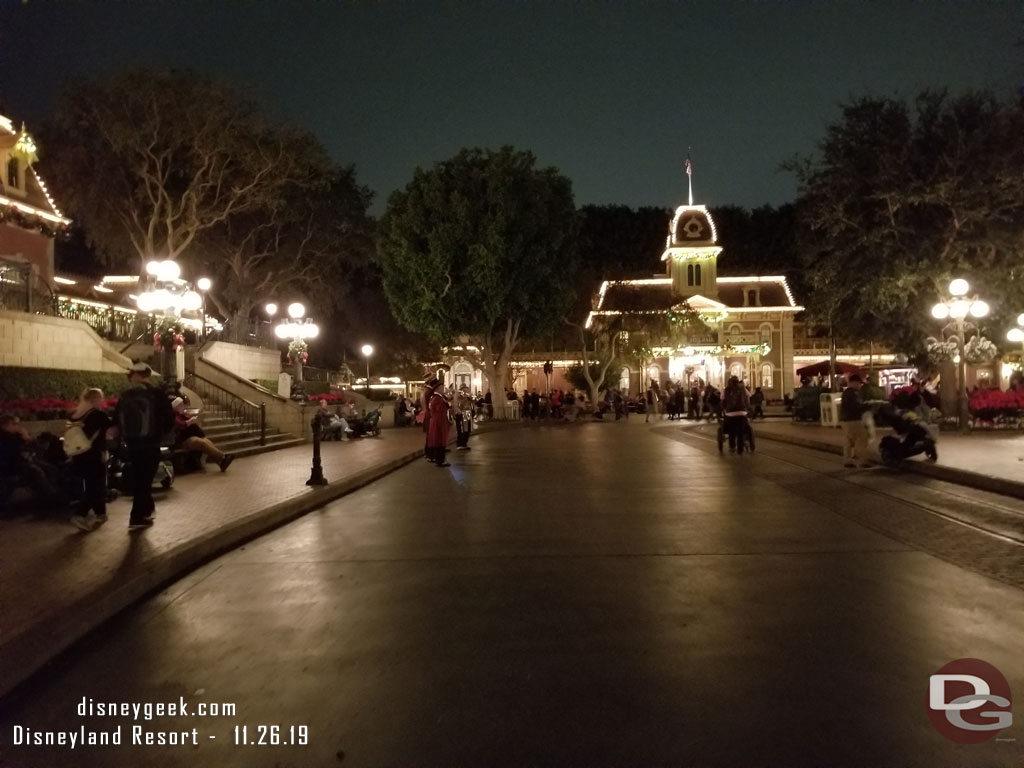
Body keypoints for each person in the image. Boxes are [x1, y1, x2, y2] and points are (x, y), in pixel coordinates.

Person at [113, 361, 175, 530]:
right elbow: (169, 417)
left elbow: (116, 418)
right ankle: (136, 516)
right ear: (147, 375)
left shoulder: (126, 395)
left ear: (135, 376)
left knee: (141, 477)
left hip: (132, 444)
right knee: (145, 479)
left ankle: (146, 510)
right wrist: (163, 433)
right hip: (151, 443)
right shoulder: (156, 394)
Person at [68, 388, 112, 531]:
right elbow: (111, 430)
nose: (102, 401)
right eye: (101, 398)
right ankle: (79, 514)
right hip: (94, 454)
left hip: (78, 454)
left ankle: (100, 513)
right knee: (96, 485)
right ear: (94, 399)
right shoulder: (98, 415)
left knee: (93, 483)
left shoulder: (75, 415)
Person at [0, 413, 61, 506]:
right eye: (14, 424)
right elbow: (10, 452)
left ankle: (54, 492)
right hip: (11, 466)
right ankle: (51, 496)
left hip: (22, 461)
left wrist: (28, 439)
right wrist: (26, 439)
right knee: (36, 471)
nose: (17, 426)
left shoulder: (14, 435)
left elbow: (36, 447)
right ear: (5, 425)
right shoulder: (4, 437)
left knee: (51, 468)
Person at [172, 397, 236, 468]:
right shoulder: (174, 416)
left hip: (193, 436)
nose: (183, 406)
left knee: (207, 442)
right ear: (175, 407)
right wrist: (190, 421)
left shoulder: (183, 414)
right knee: (200, 442)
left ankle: (220, 462)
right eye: (180, 405)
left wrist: (189, 417)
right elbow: (180, 424)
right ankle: (223, 457)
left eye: (182, 404)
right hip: (184, 440)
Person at [839, 373, 870, 468]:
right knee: (861, 439)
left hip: (845, 420)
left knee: (848, 441)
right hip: (853, 419)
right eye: (859, 383)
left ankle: (848, 460)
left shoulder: (847, 392)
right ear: (854, 383)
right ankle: (862, 461)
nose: (860, 385)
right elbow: (854, 407)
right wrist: (865, 406)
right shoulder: (851, 393)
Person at [722, 376, 751, 454]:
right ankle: (740, 449)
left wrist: (724, 410)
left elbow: (722, 400)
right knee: (740, 431)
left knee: (731, 431)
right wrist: (748, 409)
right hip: (742, 413)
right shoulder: (743, 389)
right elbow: (748, 397)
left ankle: (732, 447)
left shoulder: (726, 390)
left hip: (730, 414)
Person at [426, 380, 451, 466]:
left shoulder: (438, 397)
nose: (443, 389)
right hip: (439, 420)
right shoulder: (437, 398)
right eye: (441, 388)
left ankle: (440, 458)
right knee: (439, 440)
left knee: (439, 439)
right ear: (437, 389)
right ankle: (440, 460)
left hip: (439, 420)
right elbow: (439, 409)